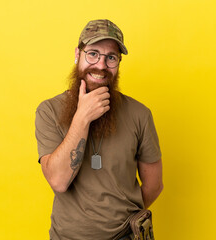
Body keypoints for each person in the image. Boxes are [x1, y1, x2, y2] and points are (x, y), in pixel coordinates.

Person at [35, 19, 163, 240]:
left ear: (118, 63)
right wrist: (82, 117)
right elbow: (58, 180)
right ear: (77, 54)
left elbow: (154, 185)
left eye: (111, 58)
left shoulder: (140, 114)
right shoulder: (49, 111)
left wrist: (118, 219)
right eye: (93, 53)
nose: (101, 65)